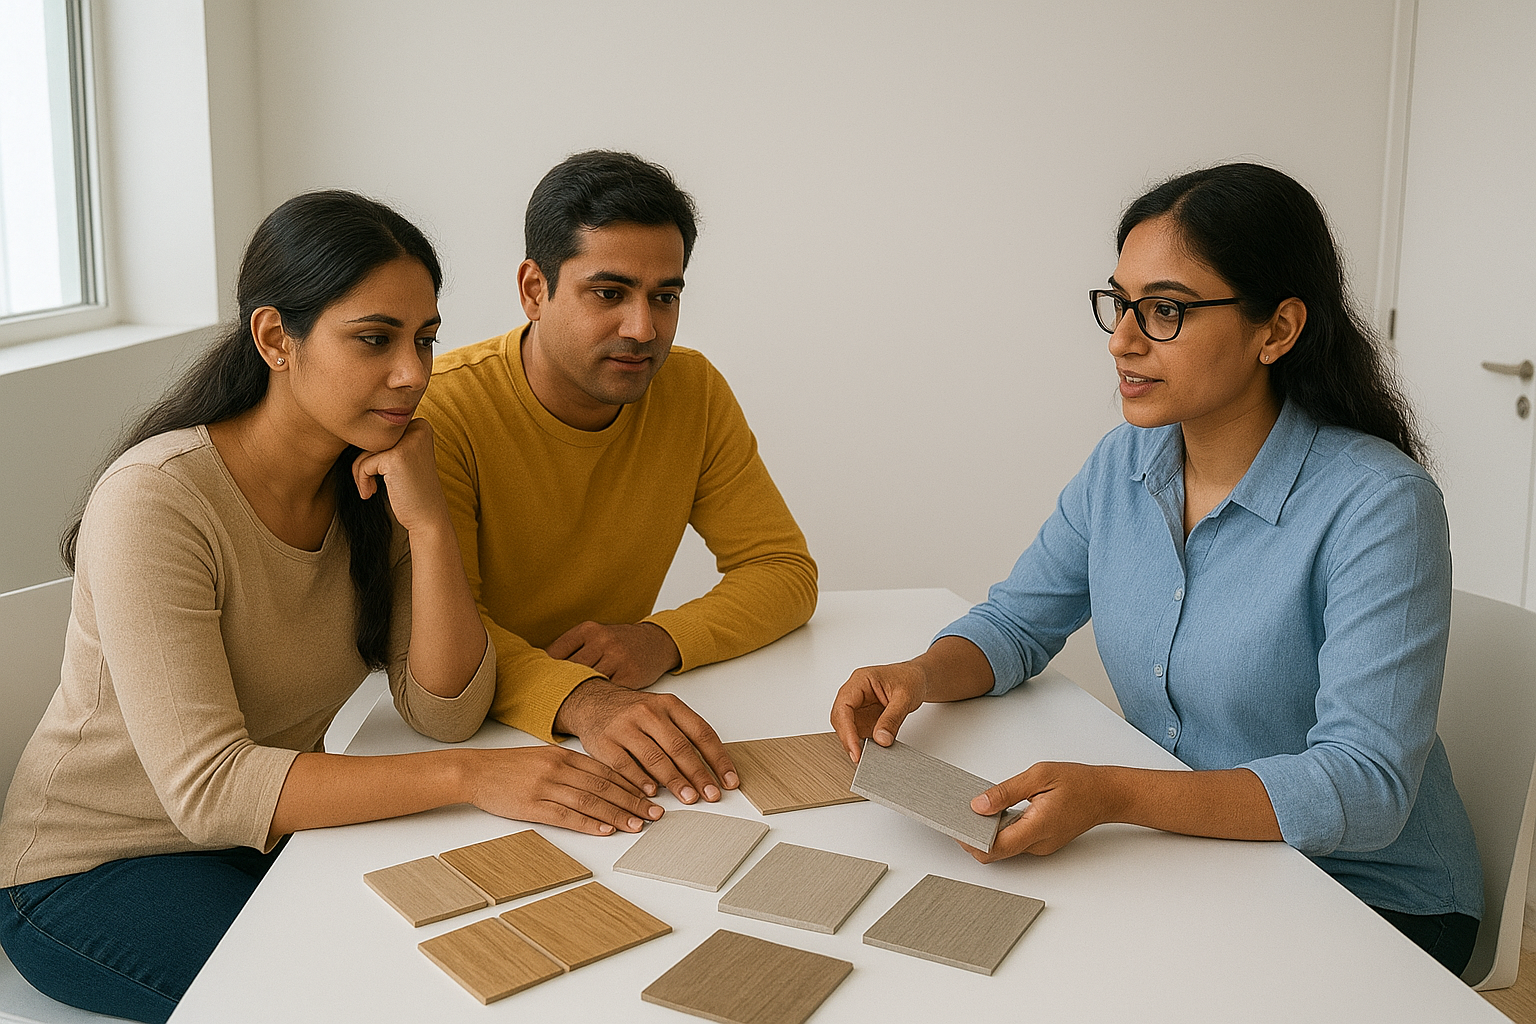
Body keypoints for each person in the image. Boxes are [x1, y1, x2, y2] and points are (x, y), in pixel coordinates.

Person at [0, 192, 663, 1023]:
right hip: (95, 871)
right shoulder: (158, 501)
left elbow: (446, 709)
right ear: (277, 339)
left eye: (424, 340)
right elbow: (208, 788)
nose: (414, 374)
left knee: (488, 964)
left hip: (266, 837)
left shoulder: (371, 481)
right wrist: (470, 780)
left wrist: (427, 525)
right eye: (375, 339)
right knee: (368, 1001)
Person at [830, 163, 1483, 975]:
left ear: (1276, 330)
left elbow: (1365, 786)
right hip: (1197, 857)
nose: (1122, 340)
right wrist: (918, 674)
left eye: (1165, 310)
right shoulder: (1125, 462)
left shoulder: (1380, 504)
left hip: (1371, 901)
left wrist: (1119, 794)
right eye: (1120, 303)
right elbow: (1014, 624)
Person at [417, 151, 817, 806]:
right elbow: (440, 632)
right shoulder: (442, 411)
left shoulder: (693, 390)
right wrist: (580, 699)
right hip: (464, 738)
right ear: (533, 291)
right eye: (609, 294)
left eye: (666, 297)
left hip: (617, 725)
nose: (644, 329)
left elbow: (782, 570)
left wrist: (660, 639)